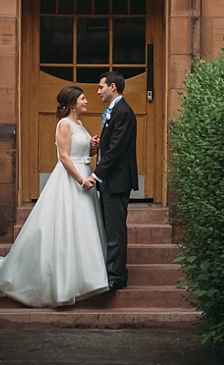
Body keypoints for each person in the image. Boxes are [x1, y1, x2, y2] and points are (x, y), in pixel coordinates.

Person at [0, 85, 109, 307]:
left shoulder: (79, 124)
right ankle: (61, 284)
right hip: (72, 180)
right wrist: (81, 180)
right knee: (65, 228)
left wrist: (93, 147)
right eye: (83, 99)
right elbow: (64, 157)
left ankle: (85, 279)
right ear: (72, 103)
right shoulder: (64, 124)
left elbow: (81, 153)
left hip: (85, 175)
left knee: (83, 228)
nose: (86, 101)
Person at [88, 71, 138, 292]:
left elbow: (117, 149)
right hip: (112, 179)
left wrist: (97, 174)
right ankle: (117, 273)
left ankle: (115, 277)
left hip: (117, 179)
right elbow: (112, 144)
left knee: (115, 229)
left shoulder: (123, 112)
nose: (98, 91)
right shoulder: (114, 111)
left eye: (101, 87)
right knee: (111, 227)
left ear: (113, 87)